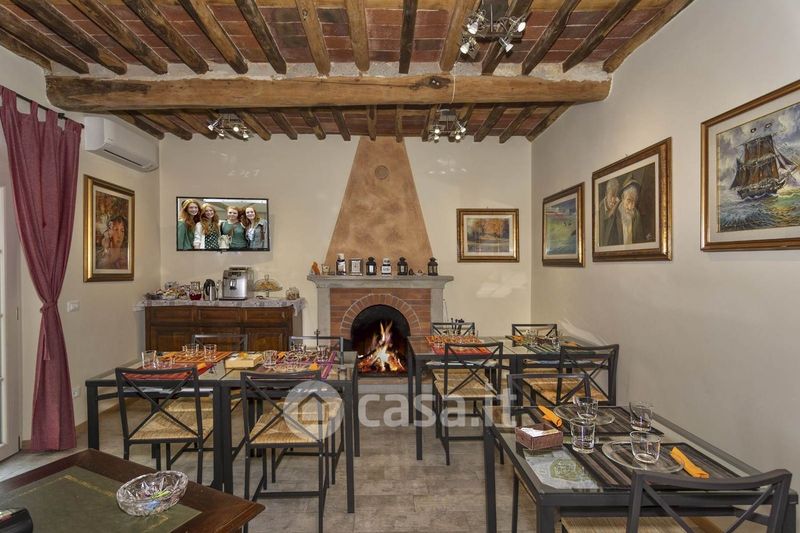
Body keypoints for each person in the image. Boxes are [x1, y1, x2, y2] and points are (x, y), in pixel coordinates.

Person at [609, 176, 645, 245]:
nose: (632, 206)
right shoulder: (614, 214)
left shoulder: (637, 215)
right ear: (622, 198)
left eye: (634, 201)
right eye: (629, 200)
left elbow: (640, 240)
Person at [598, 178, 619, 246]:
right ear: (606, 194)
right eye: (611, 196)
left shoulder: (618, 206)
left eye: (615, 196)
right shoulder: (599, 209)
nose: (613, 200)